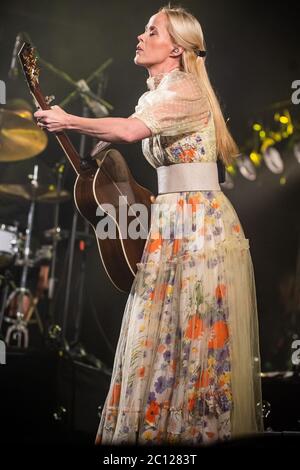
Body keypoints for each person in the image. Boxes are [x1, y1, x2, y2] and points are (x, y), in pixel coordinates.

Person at [34, 5, 263, 446]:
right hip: (170, 217)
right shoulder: (158, 90)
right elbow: (118, 135)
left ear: (176, 48)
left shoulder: (186, 89)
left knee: (190, 331)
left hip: (198, 225)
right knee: (157, 329)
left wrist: (69, 119)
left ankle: (189, 438)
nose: (140, 37)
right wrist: (89, 150)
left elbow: (128, 130)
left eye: (151, 30)